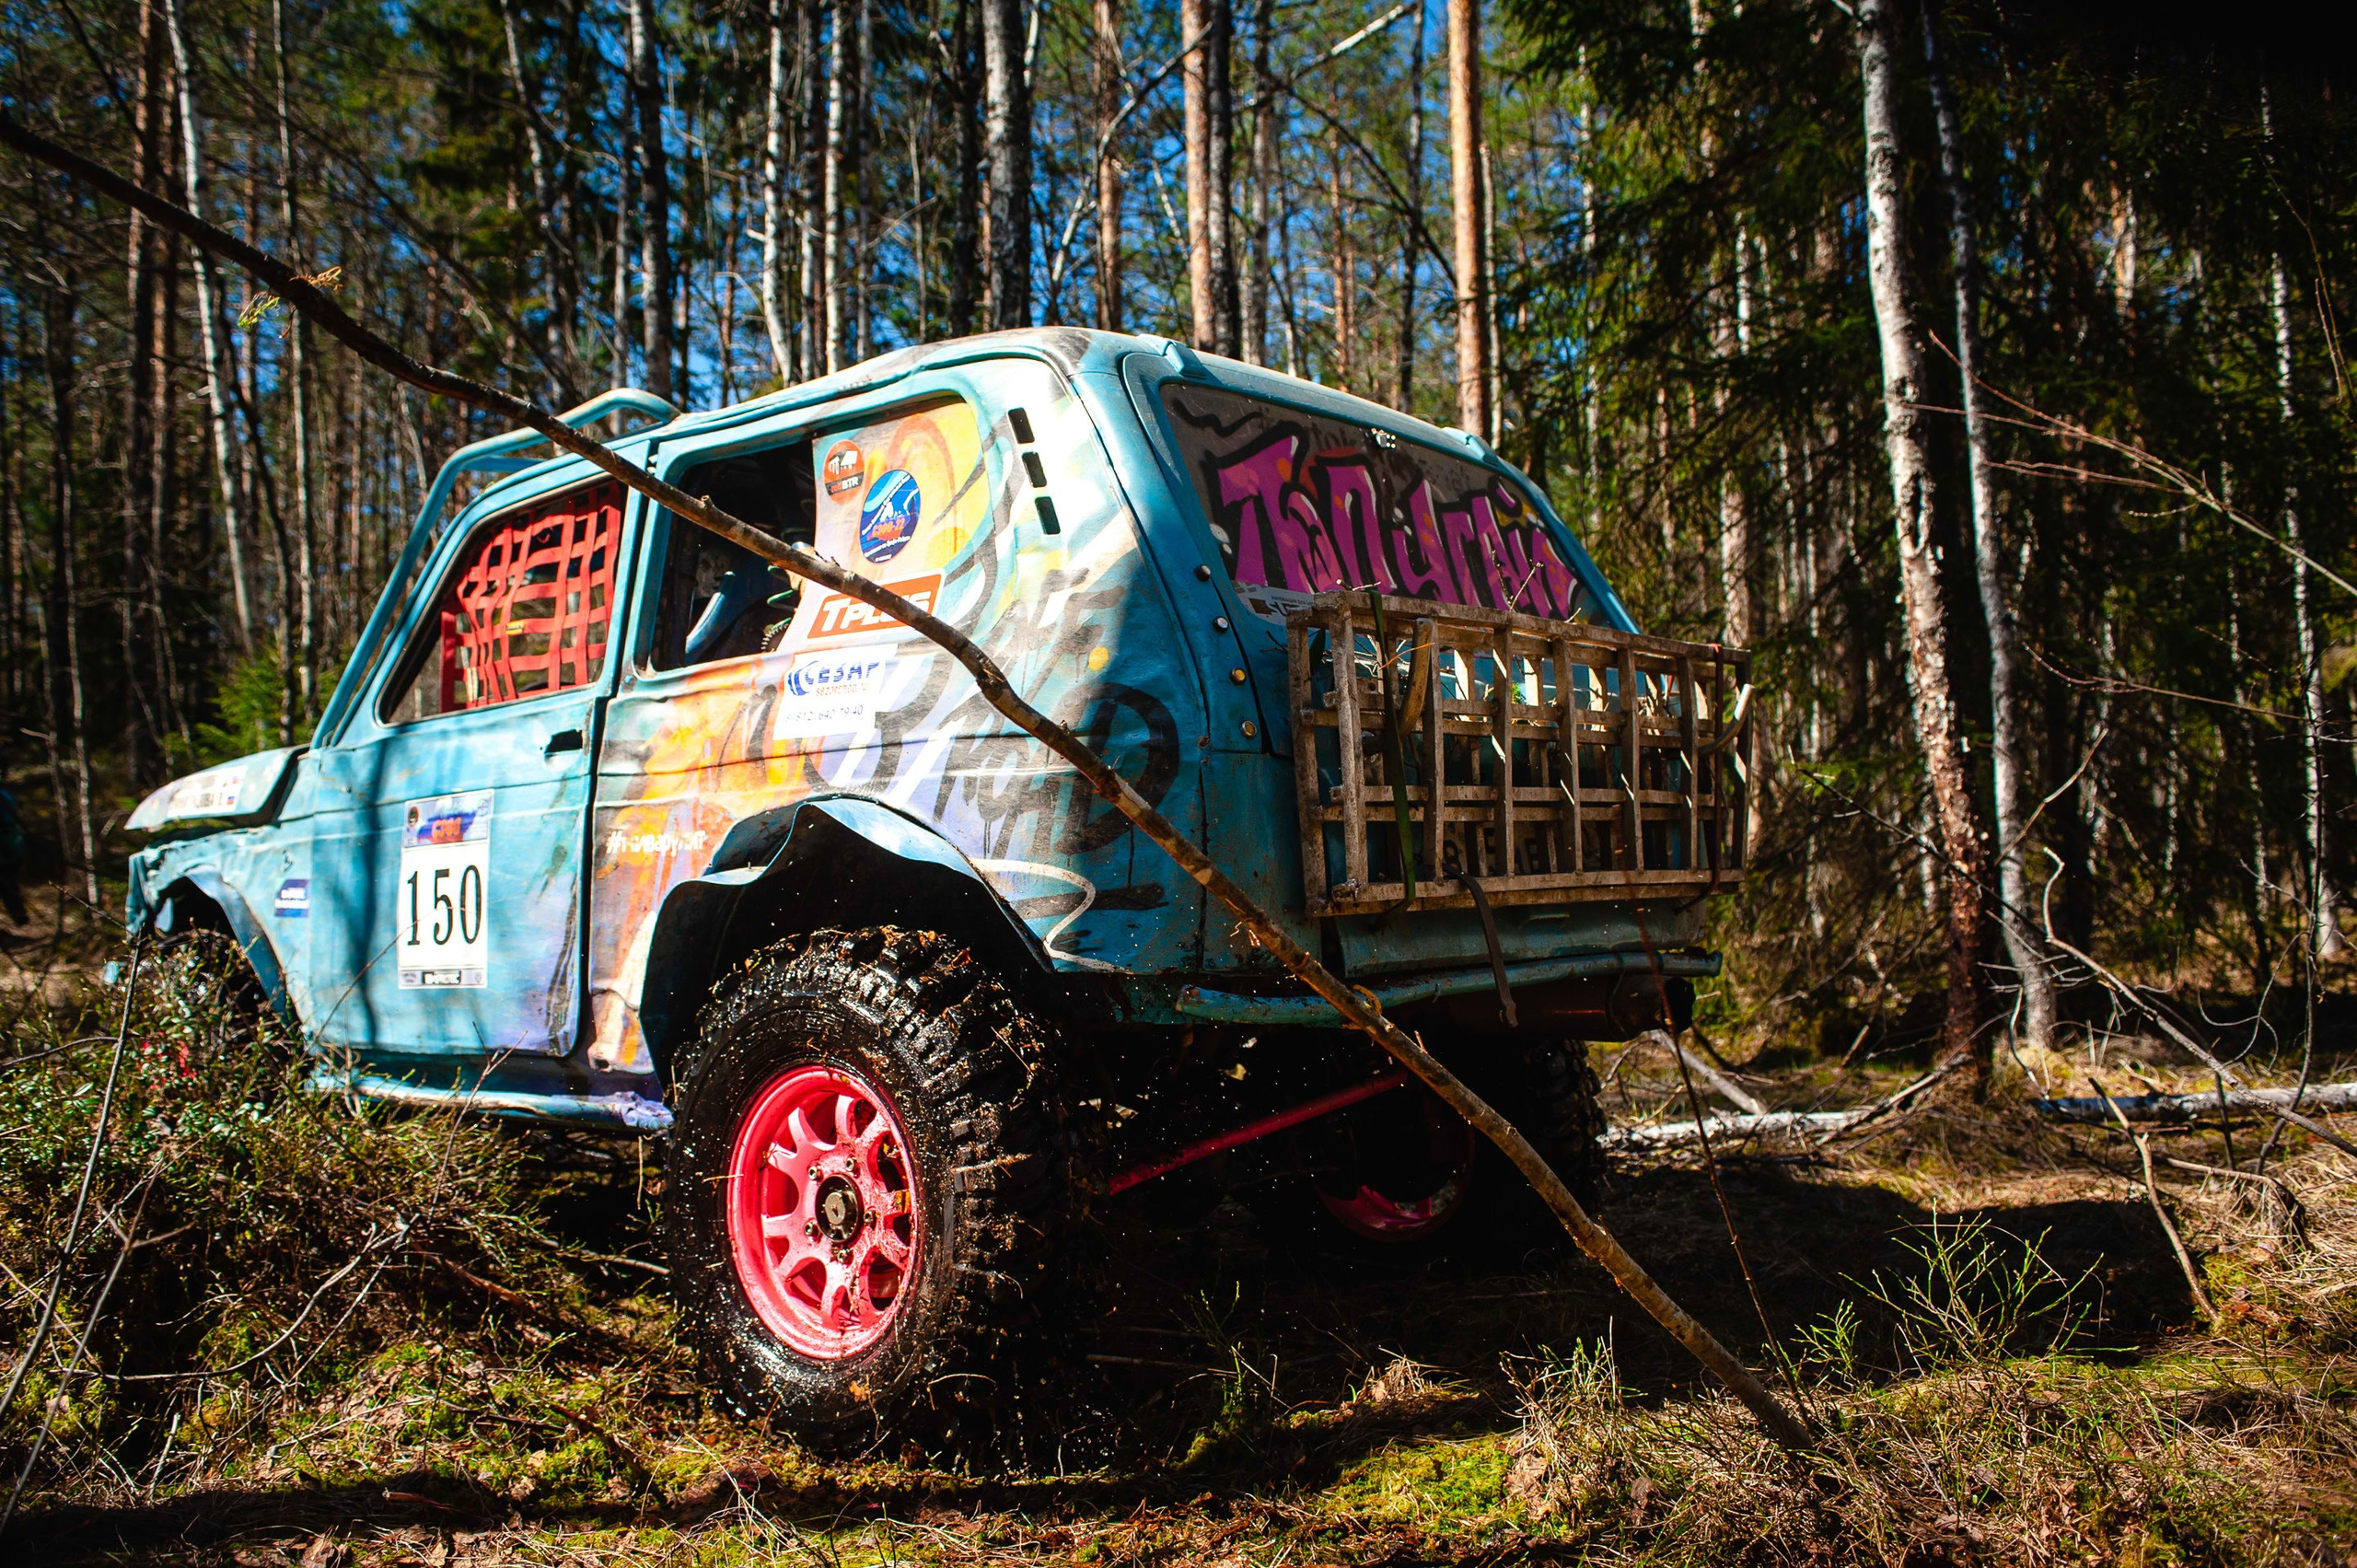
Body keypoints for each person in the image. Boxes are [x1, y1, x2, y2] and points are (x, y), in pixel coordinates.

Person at [0, 784, 29, 927]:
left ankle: (19, 915)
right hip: (14, 844)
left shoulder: (3, 796)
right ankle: (19, 914)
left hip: (6, 846)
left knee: (7, 883)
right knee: (10, 882)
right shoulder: (6, 795)